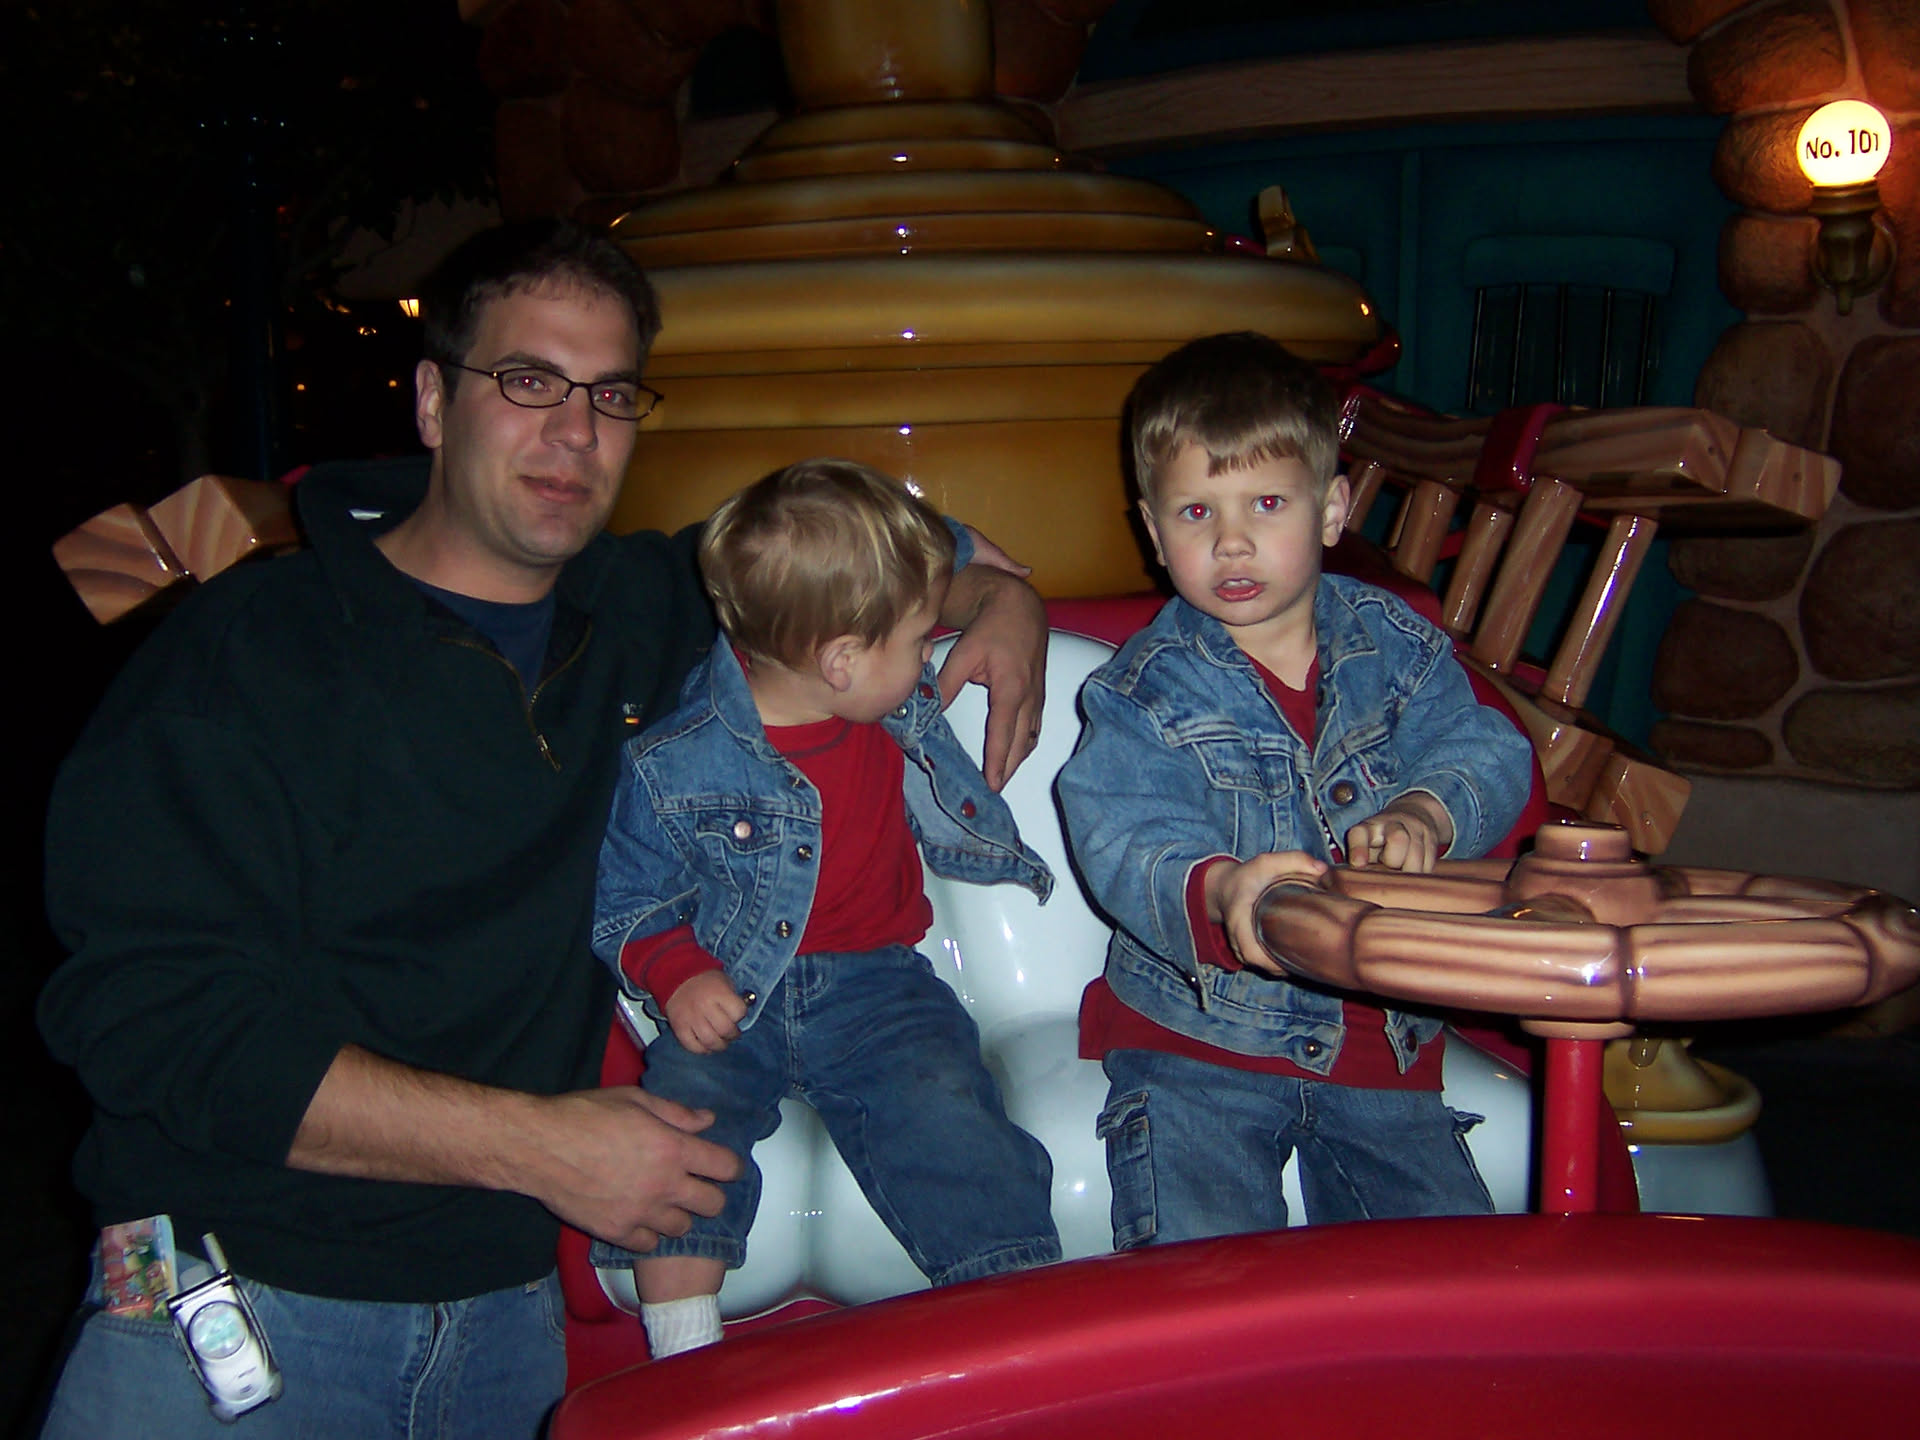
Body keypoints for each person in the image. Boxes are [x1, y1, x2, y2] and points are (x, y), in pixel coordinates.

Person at [35, 220, 1048, 1438]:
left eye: (610, 395)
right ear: (432, 401)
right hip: (236, 1307)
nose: (575, 431)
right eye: (529, 382)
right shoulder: (248, 653)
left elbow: (872, 553)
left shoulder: (655, 608)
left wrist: (1004, 599)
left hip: (508, 1334)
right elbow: (148, 1022)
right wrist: (536, 1148)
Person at [1055, 331, 1533, 1250]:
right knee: (1203, 1266)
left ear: (1332, 509)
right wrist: (1221, 889)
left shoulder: (1396, 645)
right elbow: (1122, 830)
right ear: (1153, 532)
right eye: (1195, 511)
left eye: (1267, 503)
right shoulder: (1142, 690)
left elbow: (1488, 746)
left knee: (1449, 1275)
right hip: (1201, 1041)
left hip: (1384, 1041)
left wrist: (1430, 809)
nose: (1230, 540)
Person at [592, 460, 1062, 1357]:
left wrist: (962, 549)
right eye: (918, 638)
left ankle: (1016, 1322)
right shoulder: (675, 760)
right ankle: (683, 1346)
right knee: (678, 1130)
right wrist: (675, 973)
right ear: (841, 661)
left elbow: (846, 544)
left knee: (950, 1109)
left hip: (880, 988)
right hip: (731, 992)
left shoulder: (868, 684)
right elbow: (625, 895)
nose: (927, 654)